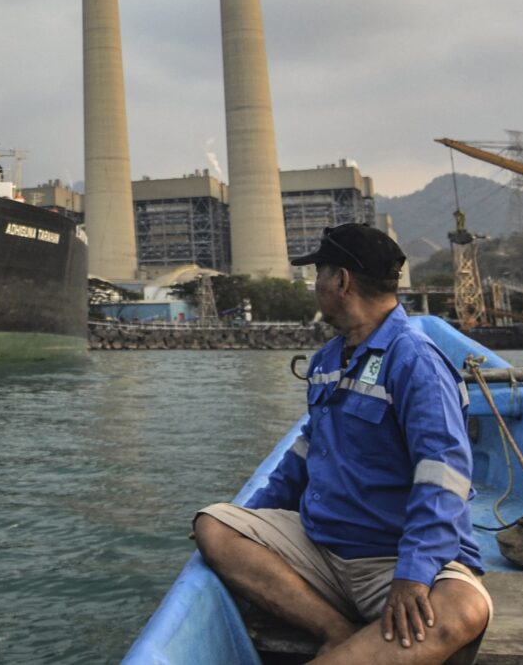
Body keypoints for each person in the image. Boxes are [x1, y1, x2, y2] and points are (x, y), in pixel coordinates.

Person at [192, 223, 492, 664]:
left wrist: (413, 573)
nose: (317, 287)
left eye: (319, 275)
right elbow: (304, 454)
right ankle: (339, 632)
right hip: (323, 548)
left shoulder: (415, 362)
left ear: (342, 281)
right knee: (214, 526)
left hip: (393, 558)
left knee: (464, 609)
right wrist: (250, 522)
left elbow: (442, 475)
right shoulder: (329, 360)